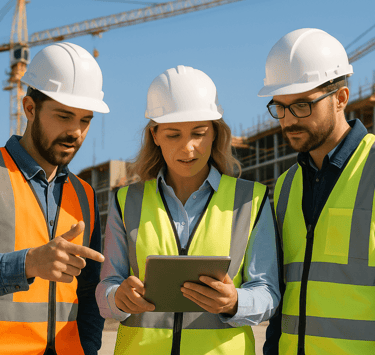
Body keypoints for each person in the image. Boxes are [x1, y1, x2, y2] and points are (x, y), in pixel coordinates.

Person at [96, 65, 280, 354]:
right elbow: (107, 284)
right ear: (154, 135)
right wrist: (117, 298)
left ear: (215, 134)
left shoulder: (251, 200)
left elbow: (267, 292)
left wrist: (235, 303)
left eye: (199, 133)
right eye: (173, 135)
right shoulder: (125, 201)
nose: (188, 148)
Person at [258, 28, 375, 355]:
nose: (287, 121)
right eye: (279, 107)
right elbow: (282, 298)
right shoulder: (284, 187)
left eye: (302, 106)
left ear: (340, 98)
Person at [0, 42, 109, 355]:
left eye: (85, 120)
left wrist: (87, 349)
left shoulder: (84, 194)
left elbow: (90, 291)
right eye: (64, 116)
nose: (75, 131)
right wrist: (28, 264)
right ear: (30, 108)